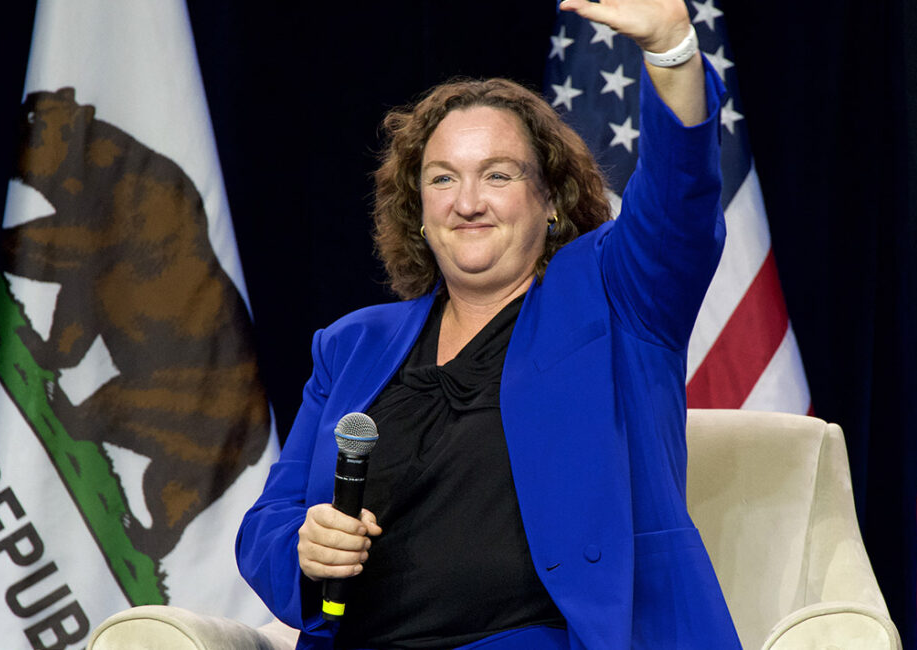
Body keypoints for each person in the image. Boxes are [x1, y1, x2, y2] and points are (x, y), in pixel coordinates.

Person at [236, 0, 742, 647]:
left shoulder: (617, 294)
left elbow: (679, 207)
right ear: (418, 209)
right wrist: (305, 546)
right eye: (443, 179)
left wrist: (672, 50)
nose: (468, 202)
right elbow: (269, 519)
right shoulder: (352, 344)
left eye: (497, 175)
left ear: (551, 200)